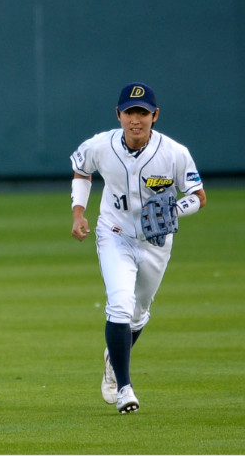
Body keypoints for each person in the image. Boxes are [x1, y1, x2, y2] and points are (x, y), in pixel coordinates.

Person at [70, 82, 206, 414]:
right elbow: (81, 170)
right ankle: (124, 387)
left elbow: (198, 197)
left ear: (154, 116)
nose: (136, 119)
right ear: (119, 115)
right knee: (119, 305)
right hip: (114, 234)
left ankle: (112, 358)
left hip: (157, 242)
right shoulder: (100, 146)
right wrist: (78, 212)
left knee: (138, 314)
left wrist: (174, 210)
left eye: (143, 113)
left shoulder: (174, 152)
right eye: (130, 112)